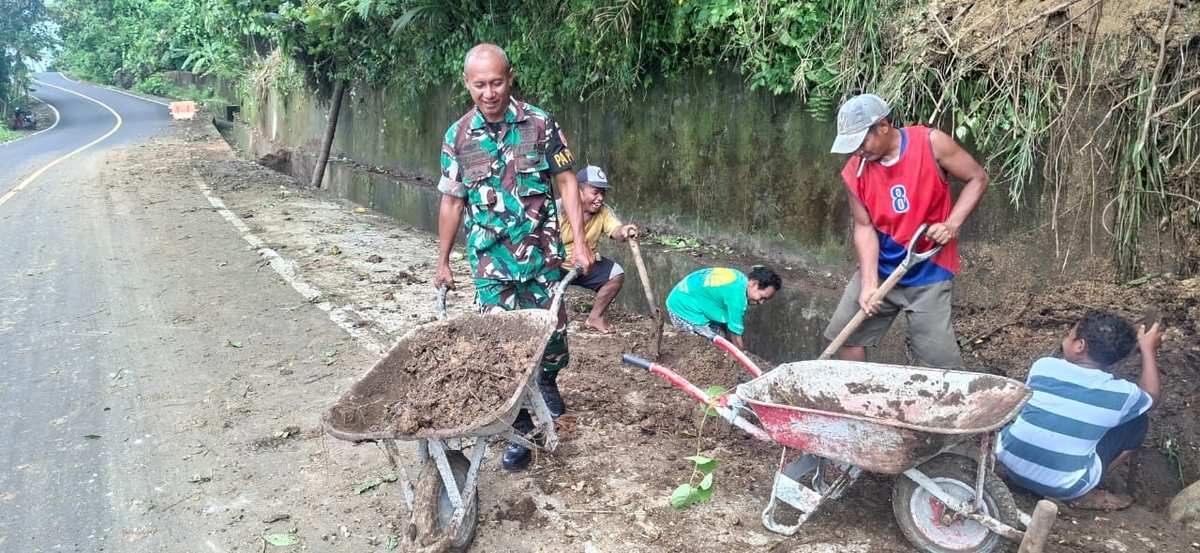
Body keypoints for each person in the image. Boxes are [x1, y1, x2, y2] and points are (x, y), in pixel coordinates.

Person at [433, 43, 593, 471]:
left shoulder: (540, 124)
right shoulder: (458, 136)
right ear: (467, 84)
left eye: (497, 82)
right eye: (480, 85)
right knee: (502, 349)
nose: (489, 92)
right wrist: (443, 261)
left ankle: (548, 380)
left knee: (554, 339)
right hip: (490, 264)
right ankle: (521, 425)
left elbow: (565, 183)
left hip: (542, 259)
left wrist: (580, 242)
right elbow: (452, 202)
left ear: (511, 77)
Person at [824, 93, 989, 369]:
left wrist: (952, 224)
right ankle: (860, 404)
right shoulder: (855, 170)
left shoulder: (930, 144)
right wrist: (868, 283)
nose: (857, 151)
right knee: (847, 337)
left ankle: (944, 410)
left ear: (883, 126)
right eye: (851, 146)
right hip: (883, 269)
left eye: (862, 141)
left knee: (940, 363)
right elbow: (864, 227)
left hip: (929, 271)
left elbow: (977, 178)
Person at [996, 312, 1164, 510]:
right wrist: (1147, 349)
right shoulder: (1122, 394)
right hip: (1063, 487)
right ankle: (1085, 491)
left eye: (1069, 334)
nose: (1065, 338)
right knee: (1138, 422)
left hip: (1008, 462)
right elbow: (1152, 396)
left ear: (1080, 346)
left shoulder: (1043, 367)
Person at [557, 165, 637, 333]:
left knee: (616, 274)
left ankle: (594, 317)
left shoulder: (604, 212)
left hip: (585, 266)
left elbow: (615, 230)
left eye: (603, 193)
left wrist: (624, 231)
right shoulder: (558, 209)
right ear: (578, 191)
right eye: (595, 192)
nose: (600, 198)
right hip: (555, 267)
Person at [665, 266, 781, 349]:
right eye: (761, 297)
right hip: (683, 308)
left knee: (721, 339)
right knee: (706, 346)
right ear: (754, 283)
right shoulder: (737, 298)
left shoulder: (739, 278)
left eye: (765, 300)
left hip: (688, 298)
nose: (761, 302)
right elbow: (735, 335)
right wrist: (743, 357)